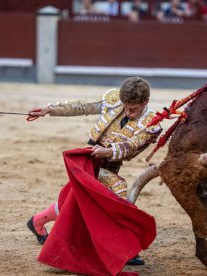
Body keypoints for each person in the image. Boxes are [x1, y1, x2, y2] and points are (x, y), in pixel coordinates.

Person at [26, 77, 162, 266]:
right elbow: (83, 106)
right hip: (86, 159)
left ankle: (38, 221)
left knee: (78, 197)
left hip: (109, 162)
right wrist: (49, 109)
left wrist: (108, 151)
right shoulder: (114, 100)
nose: (129, 113)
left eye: (134, 109)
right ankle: (121, 248)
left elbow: (132, 146)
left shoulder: (152, 122)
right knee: (117, 190)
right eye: (126, 107)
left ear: (145, 102)